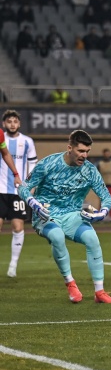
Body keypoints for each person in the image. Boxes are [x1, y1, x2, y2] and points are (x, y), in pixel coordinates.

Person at [16, 130, 111, 303]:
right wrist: (34, 203)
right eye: (80, 151)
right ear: (70, 148)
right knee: (57, 236)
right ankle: (70, 283)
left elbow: (106, 196)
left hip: (73, 216)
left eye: (87, 151)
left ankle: (99, 292)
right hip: (46, 214)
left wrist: (103, 212)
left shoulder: (89, 170)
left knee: (93, 239)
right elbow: (22, 187)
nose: (84, 155)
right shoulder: (48, 164)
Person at [2, 110, 37, 278]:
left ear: (19, 124)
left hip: (18, 191)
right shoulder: (2, 139)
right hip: (0, 189)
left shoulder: (27, 142)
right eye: (9, 121)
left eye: (15, 121)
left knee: (18, 226)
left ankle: (13, 264)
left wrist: (30, 186)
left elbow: (32, 164)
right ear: (4, 124)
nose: (12, 124)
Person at [96, 148, 111, 220]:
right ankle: (101, 216)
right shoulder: (100, 163)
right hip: (103, 185)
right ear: (103, 154)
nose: (107, 155)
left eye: (108, 153)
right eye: (106, 153)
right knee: (102, 201)